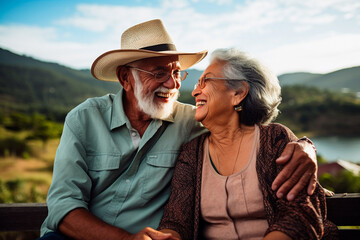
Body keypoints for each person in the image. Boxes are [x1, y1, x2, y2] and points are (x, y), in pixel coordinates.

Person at [39, 20, 319, 240]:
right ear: (126, 77)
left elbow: (244, 128)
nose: (174, 85)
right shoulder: (84, 119)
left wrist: (306, 147)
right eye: (159, 73)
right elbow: (63, 205)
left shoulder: (193, 122)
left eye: (176, 73)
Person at [157, 48, 338, 240]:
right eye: (197, 83)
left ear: (239, 93)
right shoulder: (191, 152)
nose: (195, 91)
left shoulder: (275, 139)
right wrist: (168, 236)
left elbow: (298, 215)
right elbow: (176, 220)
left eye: (205, 81)